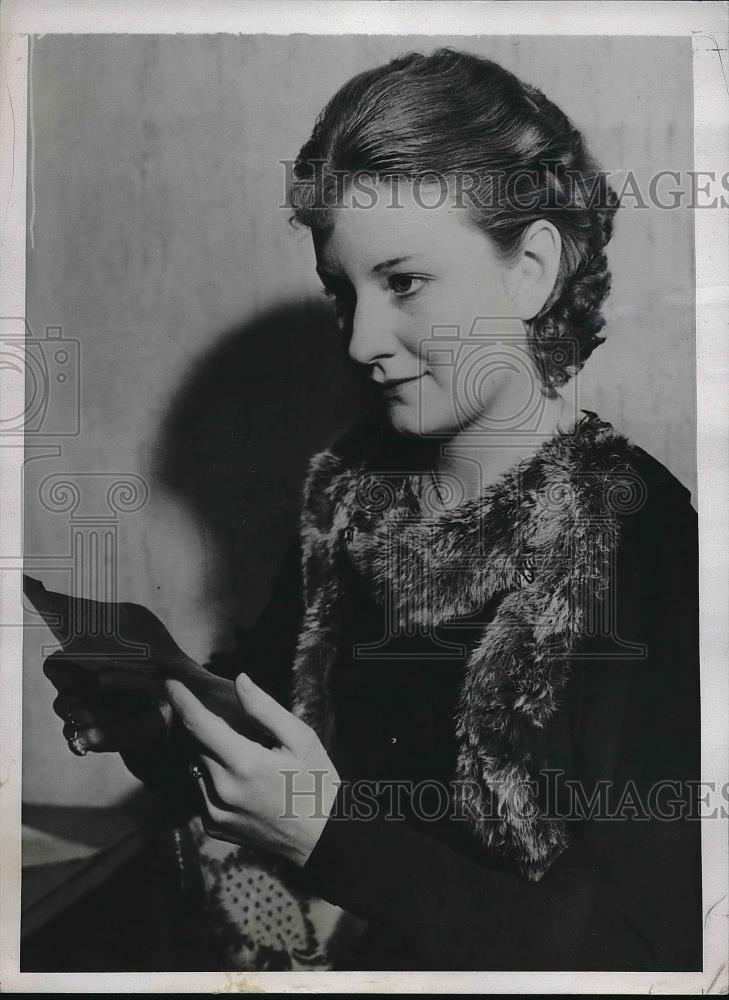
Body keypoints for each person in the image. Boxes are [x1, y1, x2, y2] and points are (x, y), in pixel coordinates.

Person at [44, 49, 701, 971]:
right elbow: (271, 723)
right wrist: (168, 725)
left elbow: (647, 955)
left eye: (404, 283)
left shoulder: (645, 536)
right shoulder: (351, 494)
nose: (359, 339)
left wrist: (326, 837)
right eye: (340, 291)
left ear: (531, 270)